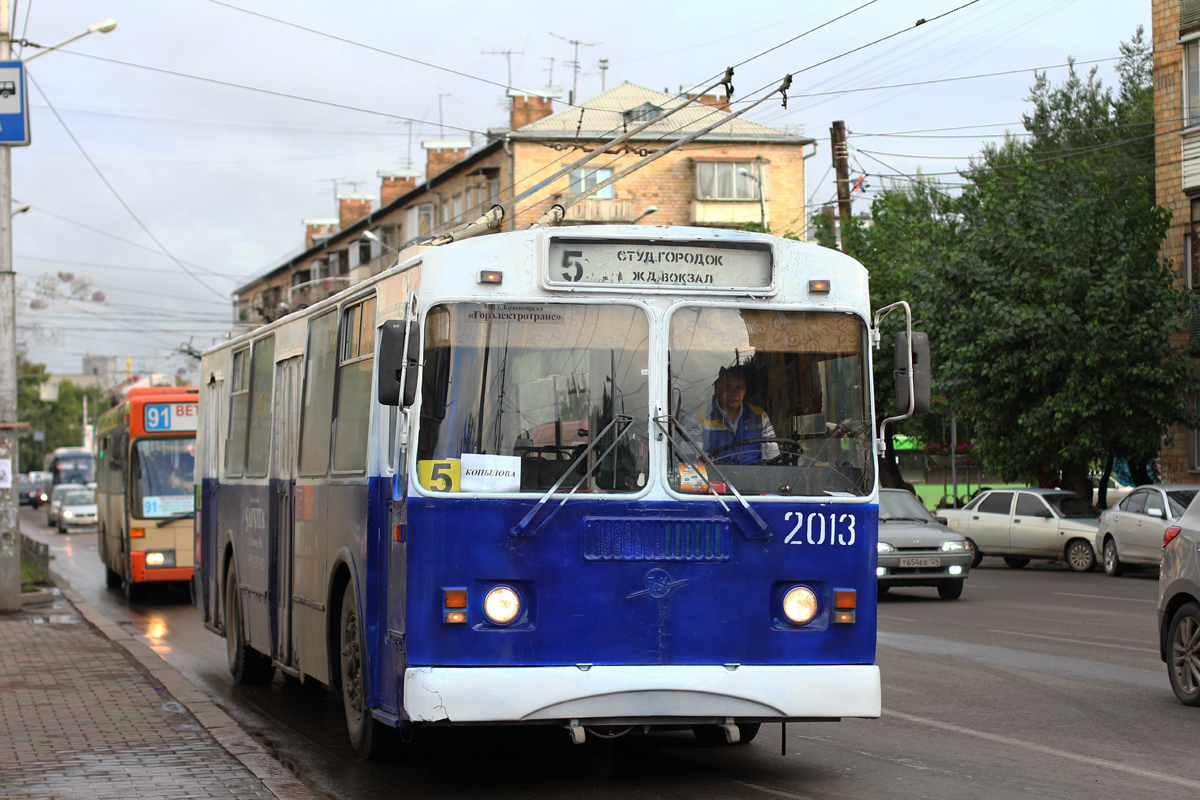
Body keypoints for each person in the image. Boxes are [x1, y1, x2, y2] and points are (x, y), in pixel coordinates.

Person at [685, 365, 780, 464]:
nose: (734, 393)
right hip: (713, 478)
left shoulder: (760, 417)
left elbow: (773, 462)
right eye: (729, 387)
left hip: (754, 478)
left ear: (744, 391)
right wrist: (703, 459)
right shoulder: (697, 419)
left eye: (739, 388)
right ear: (717, 389)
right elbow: (690, 463)